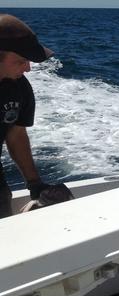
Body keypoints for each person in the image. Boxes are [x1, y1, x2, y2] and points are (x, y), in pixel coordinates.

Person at [0, 14, 55, 219]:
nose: (28, 68)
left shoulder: (19, 88)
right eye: (21, 61)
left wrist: (35, 184)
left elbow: (15, 132)